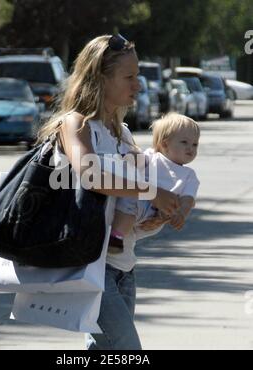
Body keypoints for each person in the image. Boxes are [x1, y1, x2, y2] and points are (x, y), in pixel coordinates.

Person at [37, 34, 179, 350]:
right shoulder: (74, 125)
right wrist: (151, 192)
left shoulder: (122, 133)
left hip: (122, 268)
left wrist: (148, 220)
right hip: (89, 266)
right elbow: (90, 175)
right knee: (127, 351)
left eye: (137, 75)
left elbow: (120, 206)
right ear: (100, 78)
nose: (138, 85)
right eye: (129, 77)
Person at [108, 113, 200, 254]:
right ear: (164, 144)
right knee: (131, 195)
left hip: (158, 215)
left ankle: (117, 237)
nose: (191, 148)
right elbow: (137, 160)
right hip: (141, 202)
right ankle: (117, 238)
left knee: (131, 198)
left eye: (195, 144)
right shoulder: (152, 156)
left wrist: (181, 214)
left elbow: (188, 199)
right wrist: (128, 157)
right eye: (184, 142)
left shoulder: (189, 175)